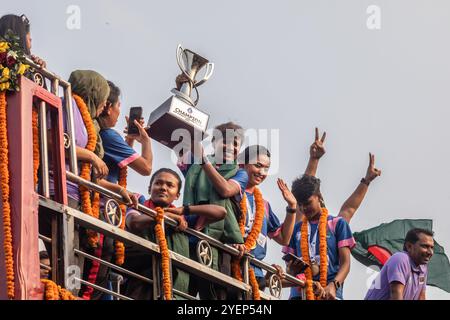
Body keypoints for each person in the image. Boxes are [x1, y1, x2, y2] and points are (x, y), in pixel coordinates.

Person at [79, 80, 153, 299]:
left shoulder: (96, 131)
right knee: (98, 272)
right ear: (107, 106)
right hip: (103, 212)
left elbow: (118, 166)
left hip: (101, 209)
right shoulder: (108, 135)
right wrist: (146, 140)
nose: (120, 112)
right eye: (119, 106)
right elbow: (146, 168)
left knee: (104, 276)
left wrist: (129, 140)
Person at [123, 168, 226, 300]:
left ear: (177, 195)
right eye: (158, 183)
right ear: (149, 189)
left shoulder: (183, 218)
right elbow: (134, 222)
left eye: (170, 185)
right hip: (140, 283)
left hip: (175, 289)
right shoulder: (140, 204)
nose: (163, 188)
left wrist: (184, 210)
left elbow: (220, 212)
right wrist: (165, 216)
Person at [180, 122, 247, 299]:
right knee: (183, 291)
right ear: (214, 142)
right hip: (190, 236)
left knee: (216, 294)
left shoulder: (240, 174)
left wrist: (203, 160)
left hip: (221, 244)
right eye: (225, 141)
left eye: (235, 143)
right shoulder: (194, 165)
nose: (230, 147)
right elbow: (178, 139)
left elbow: (225, 190)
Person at [285, 174, 356, 300]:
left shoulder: (337, 223)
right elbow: (289, 271)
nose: (304, 208)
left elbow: (346, 264)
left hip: (328, 294)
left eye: (307, 203)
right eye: (300, 205)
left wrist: (334, 285)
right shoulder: (297, 228)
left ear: (319, 197)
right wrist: (292, 269)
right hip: (300, 294)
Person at [236, 145, 297, 290]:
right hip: (229, 264)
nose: (262, 172)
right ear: (242, 164)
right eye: (258, 166)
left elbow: (284, 239)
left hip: (256, 273)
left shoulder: (264, 205)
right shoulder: (231, 192)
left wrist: (292, 207)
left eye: (266, 168)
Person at [365, 228, 434, 300]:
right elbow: (396, 294)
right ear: (409, 246)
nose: (430, 252)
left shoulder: (423, 267)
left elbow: (421, 297)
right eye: (425, 246)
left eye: (432, 247)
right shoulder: (401, 259)